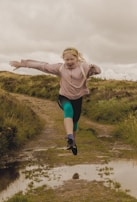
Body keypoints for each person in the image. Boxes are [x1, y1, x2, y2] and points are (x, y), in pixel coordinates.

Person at [9, 47, 101, 155]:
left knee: (75, 121)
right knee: (68, 110)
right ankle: (69, 137)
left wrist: (95, 67)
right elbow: (42, 65)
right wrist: (23, 64)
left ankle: (73, 142)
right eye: (67, 60)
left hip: (77, 98)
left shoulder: (83, 67)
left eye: (72, 59)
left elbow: (97, 71)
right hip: (64, 96)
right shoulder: (60, 68)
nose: (69, 62)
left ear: (77, 58)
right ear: (63, 59)